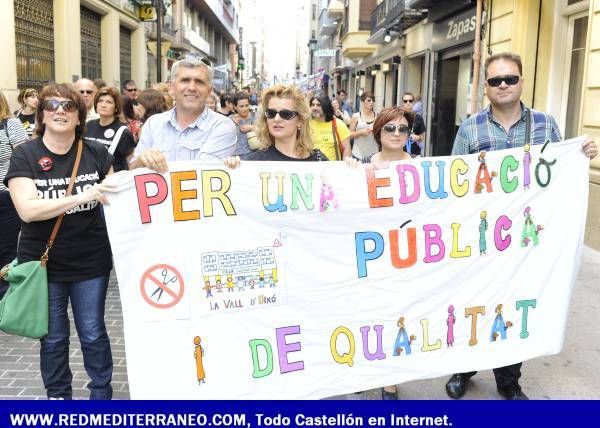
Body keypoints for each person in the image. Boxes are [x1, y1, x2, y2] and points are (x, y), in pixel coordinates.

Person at [447, 52, 598, 401]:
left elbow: (558, 173)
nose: (503, 85)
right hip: (482, 237)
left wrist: (581, 153)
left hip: (526, 238)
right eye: (495, 80)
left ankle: (509, 380)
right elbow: (453, 181)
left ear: (521, 82)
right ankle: (463, 368)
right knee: (475, 302)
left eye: (510, 79)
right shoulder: (470, 128)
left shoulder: (546, 124)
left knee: (515, 306)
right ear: (485, 87)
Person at [4, 83, 116, 399]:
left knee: (93, 333)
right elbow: (27, 210)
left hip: (91, 260)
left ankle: (101, 395)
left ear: (80, 116)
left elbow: (123, 192)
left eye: (69, 106)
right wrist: (84, 195)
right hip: (43, 263)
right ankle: (58, 399)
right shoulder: (26, 154)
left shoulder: (96, 152)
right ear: (41, 115)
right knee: (53, 337)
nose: (60, 111)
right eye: (52, 105)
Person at [130, 57, 237, 173]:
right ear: (172, 87)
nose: (191, 88)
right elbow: (132, 173)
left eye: (199, 82)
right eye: (185, 80)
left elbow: (203, 174)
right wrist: (142, 160)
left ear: (209, 90)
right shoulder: (153, 124)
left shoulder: (222, 126)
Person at [224, 84, 327, 165]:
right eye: (271, 113)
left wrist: (343, 168)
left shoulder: (318, 161)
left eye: (286, 114)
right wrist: (232, 169)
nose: (277, 119)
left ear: (300, 120)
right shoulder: (254, 162)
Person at [0, 91, 29, 299]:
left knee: (5, 250)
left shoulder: (11, 125)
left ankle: (4, 299)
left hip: (5, 197)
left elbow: (24, 156)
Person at [83, 87, 136, 172]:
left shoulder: (123, 132)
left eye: (109, 102)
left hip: (113, 180)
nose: (103, 105)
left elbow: (131, 162)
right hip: (89, 177)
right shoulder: (88, 125)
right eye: (100, 101)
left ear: (116, 107)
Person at [309, 93, 351, 161]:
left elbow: (346, 148)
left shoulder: (338, 124)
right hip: (312, 169)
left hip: (332, 169)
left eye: (319, 105)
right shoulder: (307, 125)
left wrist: (344, 168)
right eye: (313, 105)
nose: (315, 108)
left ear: (326, 106)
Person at [349, 92, 378, 160]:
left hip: (374, 153)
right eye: (369, 100)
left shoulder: (377, 116)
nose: (371, 102)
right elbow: (349, 135)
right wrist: (361, 132)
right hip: (358, 153)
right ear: (362, 102)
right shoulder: (356, 116)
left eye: (373, 100)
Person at [401, 92, 426, 156]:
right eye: (405, 101)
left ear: (413, 103)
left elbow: (422, 136)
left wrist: (418, 137)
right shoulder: (398, 117)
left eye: (410, 101)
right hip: (400, 153)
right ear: (402, 103)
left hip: (415, 153)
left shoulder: (418, 118)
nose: (408, 103)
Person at [232, 91, 256, 156]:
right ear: (235, 107)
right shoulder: (229, 120)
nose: (244, 109)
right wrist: (231, 125)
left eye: (246, 105)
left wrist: (252, 128)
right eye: (241, 106)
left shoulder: (255, 117)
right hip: (235, 157)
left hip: (254, 155)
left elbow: (265, 133)